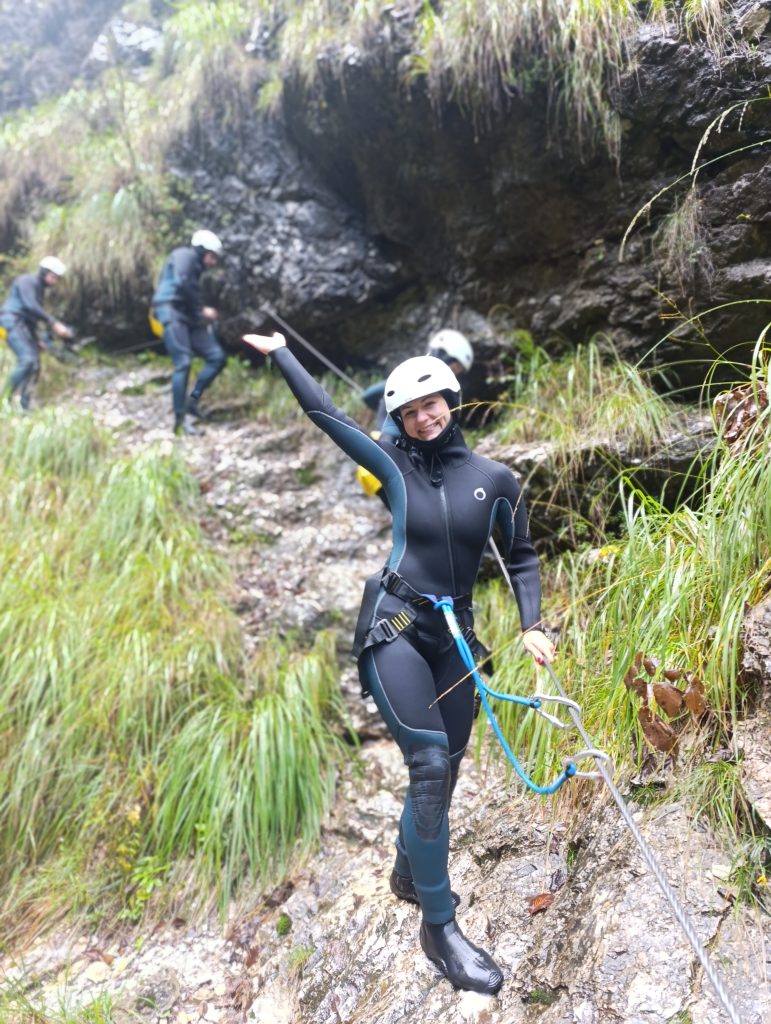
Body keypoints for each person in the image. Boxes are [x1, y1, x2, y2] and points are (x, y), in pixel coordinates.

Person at [242, 329, 554, 995]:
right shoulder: (391, 465)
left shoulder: (495, 480)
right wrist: (282, 353)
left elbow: (522, 555)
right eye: (409, 411)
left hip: (456, 638)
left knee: (449, 769)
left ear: (450, 400)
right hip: (397, 627)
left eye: (430, 404)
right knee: (430, 765)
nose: (423, 417)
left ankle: (407, 870)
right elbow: (325, 414)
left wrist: (531, 625)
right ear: (400, 420)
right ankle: (438, 928)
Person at [151, 229, 227, 436]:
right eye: (211, 256)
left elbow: (189, 289)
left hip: (188, 317)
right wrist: (202, 311)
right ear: (201, 251)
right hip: (171, 311)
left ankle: (192, 400)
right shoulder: (184, 255)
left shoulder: (196, 267)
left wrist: (200, 314)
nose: (213, 262)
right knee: (183, 363)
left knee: (216, 357)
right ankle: (180, 422)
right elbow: (184, 281)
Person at [1, 256, 74, 409]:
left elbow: (31, 319)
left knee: (34, 365)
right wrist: (53, 323)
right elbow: (30, 306)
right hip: (11, 322)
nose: (55, 281)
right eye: (53, 277)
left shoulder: (38, 290)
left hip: (23, 326)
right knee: (27, 359)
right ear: (44, 272)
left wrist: (37, 340)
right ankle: (4, 398)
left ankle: (24, 405)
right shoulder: (27, 281)